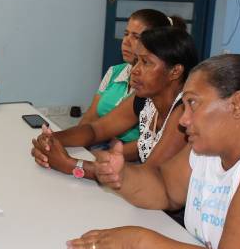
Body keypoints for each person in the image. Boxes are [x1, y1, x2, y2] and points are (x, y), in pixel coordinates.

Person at [67, 54, 240, 249]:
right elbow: (165, 188)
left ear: (238, 104)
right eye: (183, 105)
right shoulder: (211, 148)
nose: (183, 120)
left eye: (193, 103)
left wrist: (135, 242)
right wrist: (122, 175)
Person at [31, 26, 198, 179]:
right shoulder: (146, 99)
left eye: (146, 62)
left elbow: (148, 176)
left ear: (175, 71)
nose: (135, 70)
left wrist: (71, 165)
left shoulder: (185, 114)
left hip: (174, 210)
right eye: (136, 61)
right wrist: (51, 140)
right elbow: (97, 129)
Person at [79, 9, 186, 147]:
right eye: (126, 34)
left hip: (129, 157)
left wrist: (100, 157)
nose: (126, 42)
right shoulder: (114, 71)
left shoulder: (155, 88)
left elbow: (148, 146)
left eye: (136, 37)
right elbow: (91, 119)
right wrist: (76, 147)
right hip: (102, 146)